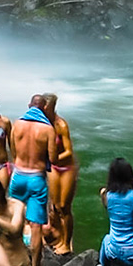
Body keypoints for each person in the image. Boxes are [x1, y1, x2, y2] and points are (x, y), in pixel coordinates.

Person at [7, 94, 57, 266]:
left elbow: (13, 150)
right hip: (36, 178)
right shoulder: (47, 129)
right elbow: (52, 158)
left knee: (15, 222)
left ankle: (13, 263)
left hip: (18, 176)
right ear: (44, 108)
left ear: (29, 105)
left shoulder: (16, 124)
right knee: (36, 227)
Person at [42, 93, 79, 254]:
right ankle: (58, 239)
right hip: (53, 168)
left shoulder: (61, 125)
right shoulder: (43, 125)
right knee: (55, 206)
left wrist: (54, 158)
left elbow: (69, 152)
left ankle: (66, 242)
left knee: (65, 206)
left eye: (46, 108)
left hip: (66, 169)